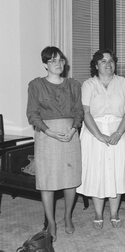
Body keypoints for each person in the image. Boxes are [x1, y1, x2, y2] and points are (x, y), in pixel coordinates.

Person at [26, 46, 84, 242]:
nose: (58, 64)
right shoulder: (36, 85)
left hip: (70, 134)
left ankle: (67, 216)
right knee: (47, 181)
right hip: (46, 136)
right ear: (45, 65)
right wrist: (49, 131)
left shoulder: (74, 85)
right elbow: (32, 114)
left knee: (70, 178)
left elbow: (78, 112)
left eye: (60, 60)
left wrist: (73, 129)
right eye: (52, 60)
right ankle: (51, 222)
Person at [76, 49, 125, 229]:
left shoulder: (122, 82)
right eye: (103, 61)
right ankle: (97, 213)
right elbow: (86, 113)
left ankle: (114, 213)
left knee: (116, 173)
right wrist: (99, 135)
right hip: (94, 135)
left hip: (121, 133)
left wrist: (118, 133)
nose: (108, 64)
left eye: (111, 61)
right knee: (97, 173)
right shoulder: (88, 85)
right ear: (96, 66)